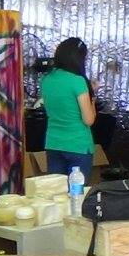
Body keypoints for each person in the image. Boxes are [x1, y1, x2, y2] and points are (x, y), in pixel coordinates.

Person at [41, 37, 97, 178]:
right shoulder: (78, 81)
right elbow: (88, 120)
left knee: (56, 189)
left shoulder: (46, 79)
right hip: (78, 145)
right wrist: (92, 96)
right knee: (76, 190)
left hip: (53, 143)